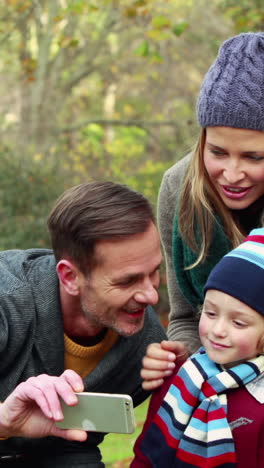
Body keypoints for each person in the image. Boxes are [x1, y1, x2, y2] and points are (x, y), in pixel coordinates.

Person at [0, 181, 166, 467]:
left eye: (154, 272)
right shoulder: (7, 300)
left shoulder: (148, 347)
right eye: (127, 280)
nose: (151, 295)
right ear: (70, 277)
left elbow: (78, 445)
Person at [141, 31, 264, 391]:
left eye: (254, 157)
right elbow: (183, 317)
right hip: (214, 391)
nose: (232, 174)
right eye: (218, 152)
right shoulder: (178, 188)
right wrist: (179, 355)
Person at [131, 227, 264, 468]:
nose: (218, 330)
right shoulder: (180, 379)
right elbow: (145, 457)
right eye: (210, 313)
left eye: (239, 322)